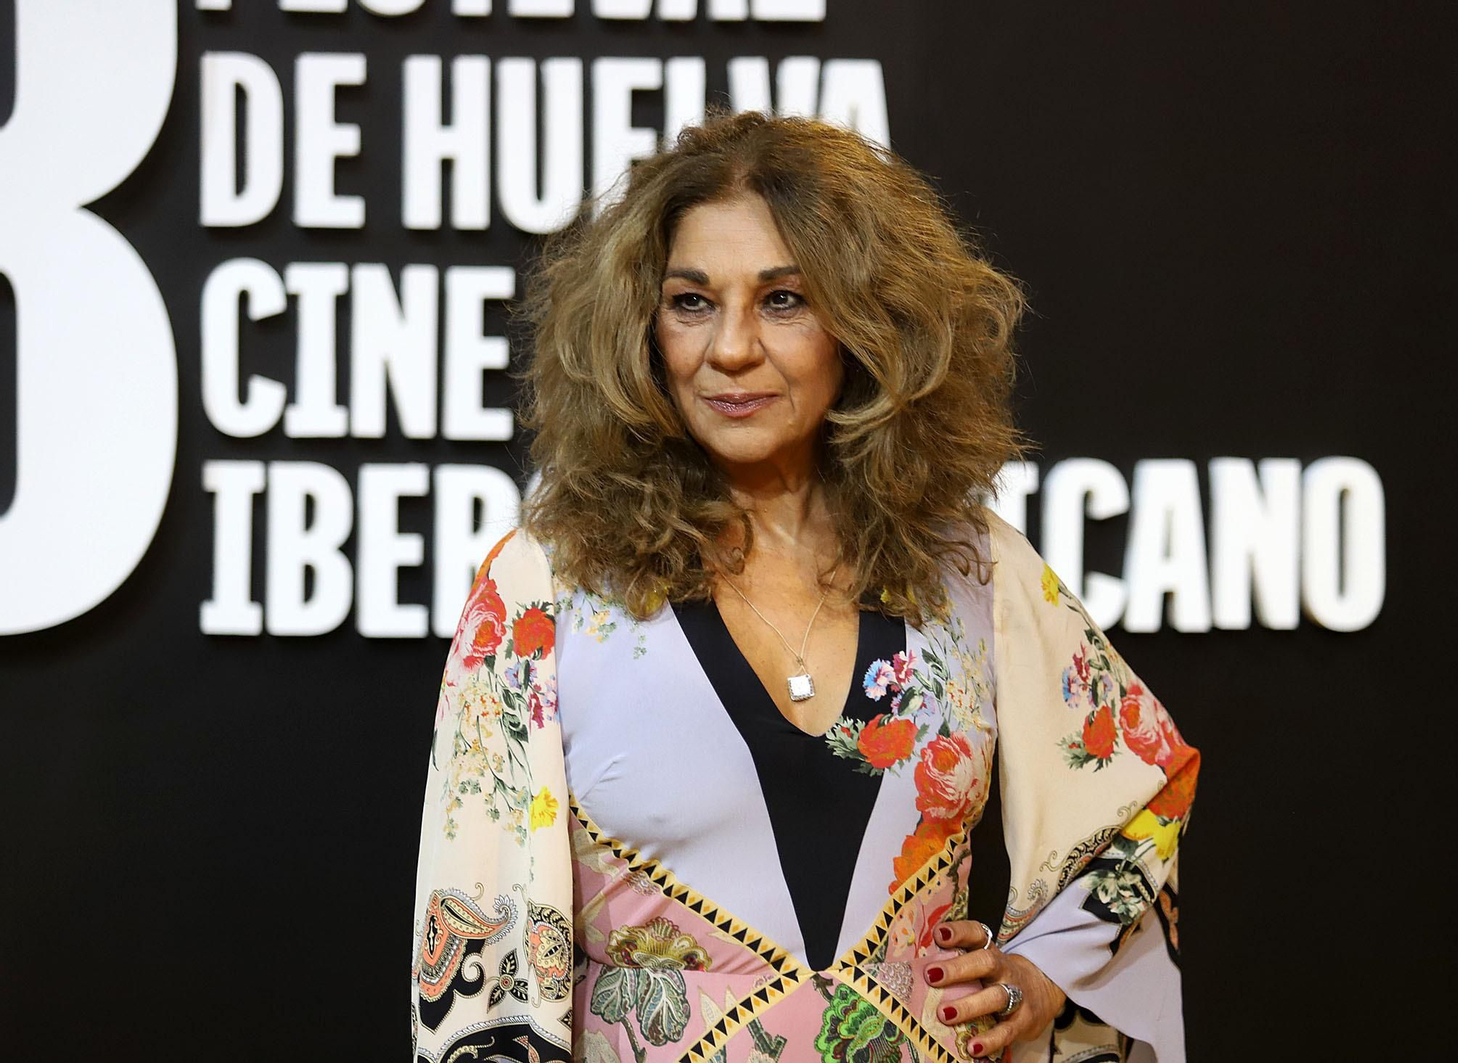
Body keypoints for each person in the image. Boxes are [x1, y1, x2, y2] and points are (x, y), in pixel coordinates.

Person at [410, 110, 1199, 1063]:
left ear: (867, 320)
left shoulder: (970, 566)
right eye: (691, 302)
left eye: (783, 300)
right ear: (642, 326)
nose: (732, 348)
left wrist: (1045, 970)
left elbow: (1140, 793)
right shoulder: (549, 582)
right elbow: (482, 935)